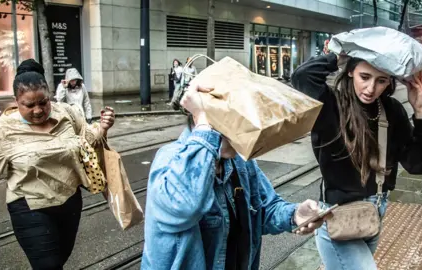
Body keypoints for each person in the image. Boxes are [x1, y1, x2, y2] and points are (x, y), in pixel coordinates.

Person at [141, 81, 330, 270]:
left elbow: (263, 209)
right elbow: (185, 208)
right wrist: (204, 125)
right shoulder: (170, 159)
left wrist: (294, 214)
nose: (245, 137)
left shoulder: (240, 163)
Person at [291, 53, 422, 269]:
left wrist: (419, 111)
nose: (371, 88)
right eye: (364, 76)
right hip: (338, 217)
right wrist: (339, 56)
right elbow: (302, 77)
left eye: (381, 80)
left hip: (373, 215)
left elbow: (419, 164)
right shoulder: (331, 105)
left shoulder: (392, 110)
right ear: (350, 71)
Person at [0, 59, 115, 269]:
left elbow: (89, 139)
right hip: (29, 206)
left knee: (60, 259)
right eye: (29, 105)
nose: (38, 110)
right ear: (16, 101)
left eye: (43, 102)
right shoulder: (0, 130)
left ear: (50, 96)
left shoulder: (68, 113)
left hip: (69, 201)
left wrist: (104, 127)